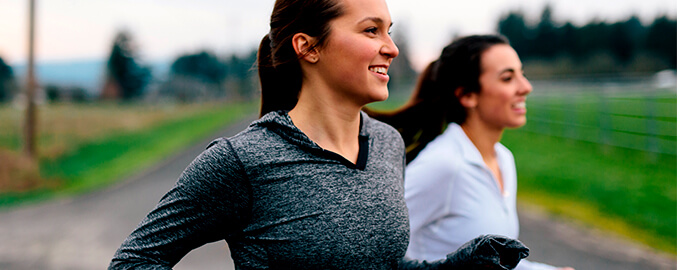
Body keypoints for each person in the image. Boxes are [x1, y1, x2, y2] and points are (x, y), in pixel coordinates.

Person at [109, 2, 530, 269]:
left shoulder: (387, 145)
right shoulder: (244, 159)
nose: (392, 47)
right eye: (371, 31)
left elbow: (382, 265)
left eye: (389, 30)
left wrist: (459, 264)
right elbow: (136, 260)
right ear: (308, 47)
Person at [366, 35, 574, 270]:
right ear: (467, 95)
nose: (526, 87)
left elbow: (493, 262)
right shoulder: (443, 165)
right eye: (508, 78)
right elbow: (372, 247)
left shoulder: (503, 158)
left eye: (521, 74)